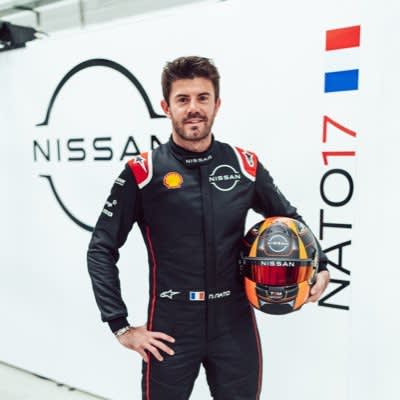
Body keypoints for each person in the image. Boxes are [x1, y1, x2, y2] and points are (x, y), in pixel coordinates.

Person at [87, 56, 330, 400]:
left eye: (203, 98)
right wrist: (120, 325)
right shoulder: (142, 172)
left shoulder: (245, 165)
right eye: (182, 99)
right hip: (171, 326)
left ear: (217, 104)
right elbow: (101, 247)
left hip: (234, 323)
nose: (193, 108)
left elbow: (290, 219)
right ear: (166, 107)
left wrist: (321, 264)